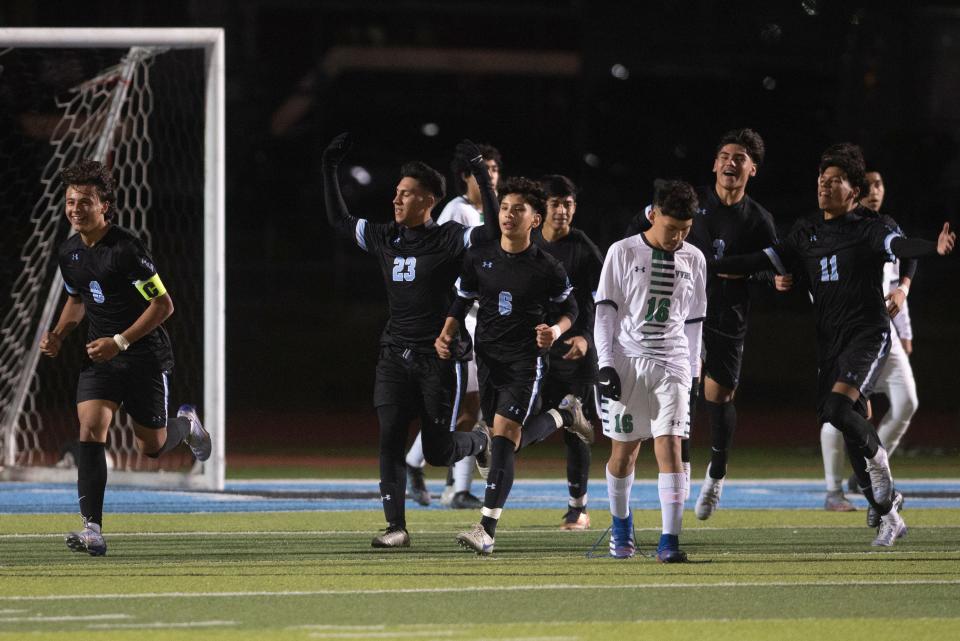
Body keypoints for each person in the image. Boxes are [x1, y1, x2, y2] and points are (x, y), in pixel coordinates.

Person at [710, 143, 955, 547]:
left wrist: (932, 248)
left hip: (867, 333)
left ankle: (883, 478)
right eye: (821, 180)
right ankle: (888, 511)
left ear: (854, 191)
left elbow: (900, 247)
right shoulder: (806, 232)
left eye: (835, 181)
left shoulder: (870, 226)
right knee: (845, 423)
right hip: (829, 341)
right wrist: (706, 261)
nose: (824, 187)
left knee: (839, 410)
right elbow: (760, 260)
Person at [322, 133, 497, 548]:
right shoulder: (385, 236)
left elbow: (490, 232)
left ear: (428, 200)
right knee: (390, 437)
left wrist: (481, 177)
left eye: (406, 195)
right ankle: (395, 527)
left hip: (439, 356)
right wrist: (329, 167)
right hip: (394, 353)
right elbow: (340, 222)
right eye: (397, 193)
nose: (396, 200)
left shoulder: (450, 236)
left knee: (437, 453)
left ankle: (480, 440)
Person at [40, 160, 211, 557]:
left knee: (150, 447)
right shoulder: (69, 253)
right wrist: (60, 334)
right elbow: (76, 299)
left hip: (144, 356)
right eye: (70, 201)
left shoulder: (128, 250)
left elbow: (163, 306)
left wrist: (119, 340)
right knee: (91, 427)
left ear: (105, 206)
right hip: (101, 358)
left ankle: (184, 425)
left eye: (84, 202)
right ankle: (93, 530)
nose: (75, 209)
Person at [626, 130, 788, 518]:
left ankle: (716, 475)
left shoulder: (759, 220)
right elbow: (642, 229)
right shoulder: (690, 204)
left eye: (740, 158)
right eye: (724, 155)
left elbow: (771, 269)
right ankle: (681, 475)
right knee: (682, 396)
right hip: (678, 320)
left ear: (752, 169)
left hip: (727, 317)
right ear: (714, 163)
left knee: (719, 399)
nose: (731, 162)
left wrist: (772, 279)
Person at [435, 177, 593, 555]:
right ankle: (566, 415)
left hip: (526, 362)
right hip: (487, 358)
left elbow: (570, 308)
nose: (508, 215)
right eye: (504, 208)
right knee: (504, 437)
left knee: (504, 437)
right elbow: (462, 298)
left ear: (534, 219)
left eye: (518, 209)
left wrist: (555, 331)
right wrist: (446, 333)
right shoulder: (480, 256)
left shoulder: (547, 267)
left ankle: (486, 529)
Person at [596, 179, 706, 562]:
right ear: (653, 214)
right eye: (671, 228)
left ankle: (669, 541)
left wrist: (693, 370)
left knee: (671, 446)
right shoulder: (621, 252)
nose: (678, 237)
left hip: (672, 362)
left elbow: (694, 321)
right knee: (624, 453)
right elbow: (605, 313)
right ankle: (621, 526)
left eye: (685, 230)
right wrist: (605, 364)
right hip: (627, 361)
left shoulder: (695, 258)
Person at [405, 143, 503, 510]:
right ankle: (444, 480)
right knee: (464, 404)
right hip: (461, 319)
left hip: (485, 318)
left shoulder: (490, 211)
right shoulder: (456, 212)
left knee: (472, 406)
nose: (491, 175)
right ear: (467, 175)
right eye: (485, 169)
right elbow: (443, 264)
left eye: (494, 169)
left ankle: (436, 476)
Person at [820, 168, 919, 519]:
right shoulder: (842, 229)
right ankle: (835, 488)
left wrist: (904, 327)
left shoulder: (884, 227)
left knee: (907, 401)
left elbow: (898, 276)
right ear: (854, 191)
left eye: (881, 183)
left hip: (883, 333)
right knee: (840, 411)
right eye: (869, 185)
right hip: (850, 332)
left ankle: (877, 473)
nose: (875, 191)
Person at [532, 175, 604, 530]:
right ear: (542, 207)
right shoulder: (526, 242)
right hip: (533, 352)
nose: (562, 210)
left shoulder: (584, 248)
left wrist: (587, 338)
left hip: (575, 352)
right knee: (520, 420)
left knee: (576, 433)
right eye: (555, 203)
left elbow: (601, 301)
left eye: (568, 204)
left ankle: (579, 508)